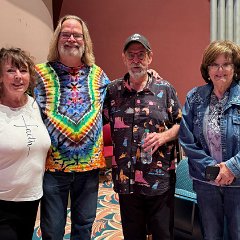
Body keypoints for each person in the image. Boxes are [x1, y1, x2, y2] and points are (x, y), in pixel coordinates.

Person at [34, 15, 110, 239]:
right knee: (52, 229)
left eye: (77, 35)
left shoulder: (98, 75)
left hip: (89, 169)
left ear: (85, 41)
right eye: (65, 34)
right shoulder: (38, 75)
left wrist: (149, 75)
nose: (71, 39)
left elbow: (122, 93)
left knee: (84, 226)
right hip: (53, 168)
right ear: (57, 39)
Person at [103, 33, 182, 240]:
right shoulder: (112, 91)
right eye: (131, 55)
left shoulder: (165, 89)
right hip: (126, 181)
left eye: (141, 55)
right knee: (132, 235)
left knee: (163, 234)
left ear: (150, 58)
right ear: (124, 58)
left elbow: (182, 125)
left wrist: (164, 136)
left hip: (159, 180)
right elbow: (97, 122)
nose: (136, 60)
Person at [179, 40, 240, 239]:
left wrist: (231, 167)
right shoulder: (194, 97)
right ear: (207, 68)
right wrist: (213, 169)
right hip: (206, 183)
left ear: (235, 68)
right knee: (211, 235)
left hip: (238, 181)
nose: (220, 69)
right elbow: (187, 139)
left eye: (226, 64)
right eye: (214, 64)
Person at [0, 47, 51, 240]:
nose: (18, 76)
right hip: (3, 202)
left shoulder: (33, 104)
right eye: (11, 71)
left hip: (31, 199)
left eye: (23, 70)